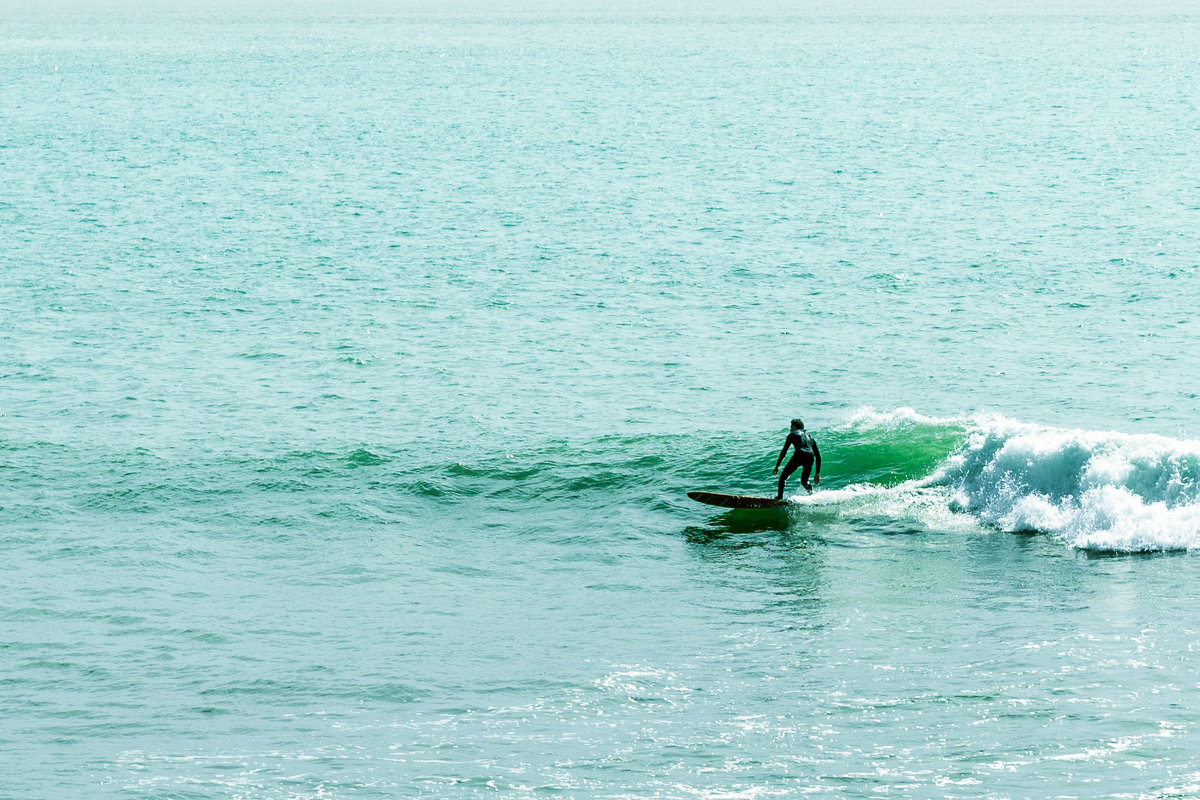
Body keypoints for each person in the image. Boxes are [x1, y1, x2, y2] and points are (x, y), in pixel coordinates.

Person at [772, 418, 821, 499]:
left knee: (782, 478)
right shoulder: (810, 437)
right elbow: (818, 456)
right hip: (810, 457)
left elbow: (784, 451)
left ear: (795, 426)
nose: (790, 429)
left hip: (799, 455)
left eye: (791, 426)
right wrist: (817, 473)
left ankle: (779, 498)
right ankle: (812, 496)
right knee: (804, 481)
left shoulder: (792, 434)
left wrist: (777, 465)